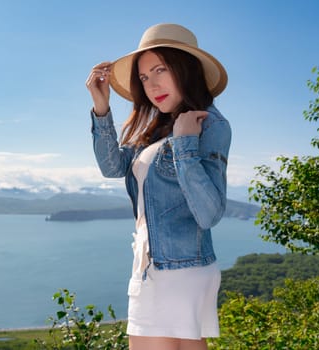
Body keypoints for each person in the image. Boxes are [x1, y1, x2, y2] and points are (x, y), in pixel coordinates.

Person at [85, 23, 231, 350]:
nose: (152, 85)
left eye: (160, 70)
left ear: (185, 68)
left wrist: (185, 145)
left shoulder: (207, 124)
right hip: (157, 265)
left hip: (178, 271)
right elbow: (112, 167)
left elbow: (209, 213)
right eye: (144, 77)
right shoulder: (159, 126)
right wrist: (101, 108)